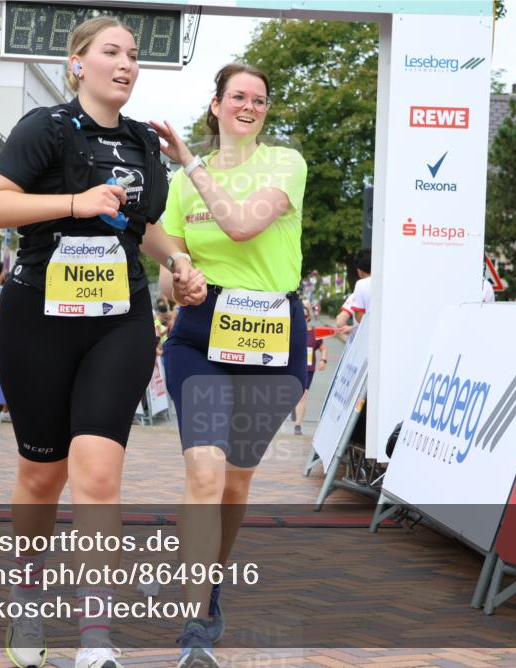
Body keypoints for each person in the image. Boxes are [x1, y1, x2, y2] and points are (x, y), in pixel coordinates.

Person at [0, 16, 204, 668]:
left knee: (98, 476)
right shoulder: (45, 127)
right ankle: (26, 596)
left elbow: (141, 228)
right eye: (112, 52)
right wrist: (73, 203)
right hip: (37, 319)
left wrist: (179, 266)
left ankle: (95, 636)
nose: (126, 63)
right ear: (79, 63)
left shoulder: (142, 143)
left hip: (118, 320)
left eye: (133, 55)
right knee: (41, 478)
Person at [152, 62, 308, 667]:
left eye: (260, 100)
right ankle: (196, 628)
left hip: (272, 331)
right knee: (204, 474)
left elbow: (243, 228)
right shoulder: (182, 184)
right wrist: (179, 282)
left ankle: (208, 585)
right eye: (238, 96)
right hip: (200, 335)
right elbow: (172, 266)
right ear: (216, 104)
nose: (249, 106)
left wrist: (190, 160)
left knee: (236, 481)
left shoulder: (285, 162)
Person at [293, 302, 326, 436]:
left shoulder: (314, 333)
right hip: (293, 368)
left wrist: (323, 360)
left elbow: (323, 348)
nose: (303, 319)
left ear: (308, 318)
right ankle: (294, 408)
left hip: (308, 369)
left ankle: (297, 425)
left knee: (302, 397)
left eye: (305, 317)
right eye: (301, 316)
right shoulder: (292, 331)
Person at [335, 249, 371, 337]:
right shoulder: (387, 285)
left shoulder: (360, 287)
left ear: (359, 271)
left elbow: (340, 321)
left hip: (363, 342)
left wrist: (352, 328)